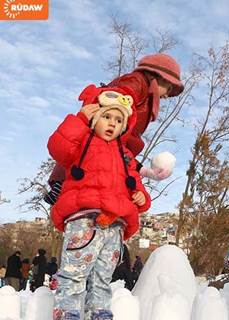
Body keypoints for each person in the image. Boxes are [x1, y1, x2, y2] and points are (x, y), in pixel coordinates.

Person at [47, 85, 151, 320]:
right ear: (95, 116)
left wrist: (141, 197)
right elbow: (58, 147)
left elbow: (133, 181)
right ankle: (68, 311)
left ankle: (99, 311)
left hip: (115, 224)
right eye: (106, 116)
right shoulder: (82, 142)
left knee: (103, 275)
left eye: (118, 119)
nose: (112, 123)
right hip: (84, 219)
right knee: (75, 270)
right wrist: (80, 120)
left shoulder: (125, 155)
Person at [44, 53, 184, 205]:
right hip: (94, 158)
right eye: (168, 88)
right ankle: (63, 186)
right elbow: (116, 105)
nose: (167, 95)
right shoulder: (137, 83)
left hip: (104, 158)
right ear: (158, 77)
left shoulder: (142, 95)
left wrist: (144, 171)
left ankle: (64, 188)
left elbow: (120, 151)